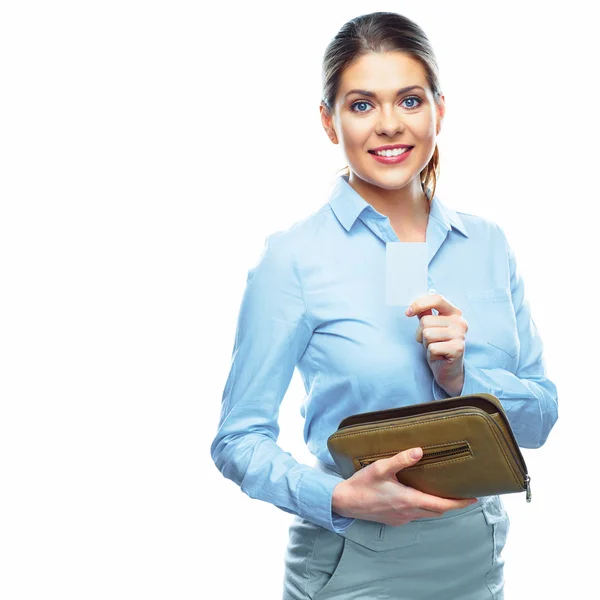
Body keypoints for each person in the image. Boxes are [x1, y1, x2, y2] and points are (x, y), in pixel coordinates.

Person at [210, 11, 558, 599]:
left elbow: (541, 419)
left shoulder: (490, 244)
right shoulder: (292, 259)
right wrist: (339, 498)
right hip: (354, 569)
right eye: (362, 104)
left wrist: (462, 376)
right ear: (329, 121)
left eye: (411, 100)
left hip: (478, 560)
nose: (390, 126)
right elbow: (237, 439)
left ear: (440, 110)